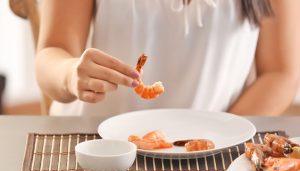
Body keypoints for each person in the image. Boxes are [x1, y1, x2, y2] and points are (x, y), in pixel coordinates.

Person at [35, 0, 300, 116]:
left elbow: (281, 72)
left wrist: (219, 135)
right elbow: (51, 54)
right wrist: (70, 75)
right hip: (98, 149)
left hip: (213, 156)